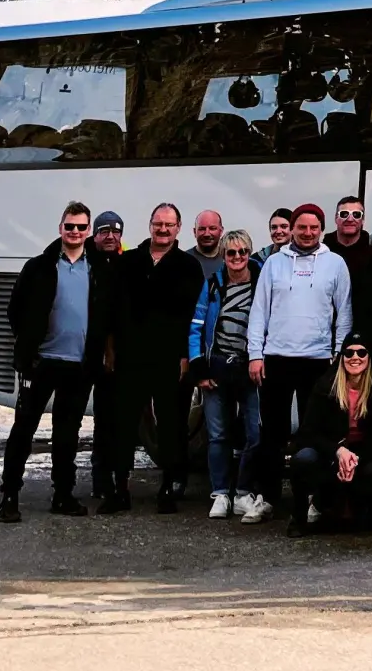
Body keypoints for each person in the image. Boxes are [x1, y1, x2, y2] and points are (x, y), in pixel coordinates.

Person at [0, 202, 114, 523]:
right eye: (69, 226)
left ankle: (63, 495)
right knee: (24, 429)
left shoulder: (99, 270)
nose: (75, 232)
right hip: (41, 363)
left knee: (67, 435)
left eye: (80, 227)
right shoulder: (38, 267)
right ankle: (9, 496)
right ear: (60, 228)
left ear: (88, 231)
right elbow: (15, 310)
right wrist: (28, 347)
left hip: (80, 366)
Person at [248, 203, 354, 514]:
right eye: (301, 227)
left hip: (319, 361)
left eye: (313, 228)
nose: (307, 233)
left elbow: (344, 314)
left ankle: (311, 499)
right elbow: (259, 312)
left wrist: (338, 356)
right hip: (276, 358)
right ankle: (266, 499)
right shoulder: (273, 263)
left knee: (314, 435)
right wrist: (255, 354)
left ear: (322, 230)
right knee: (272, 433)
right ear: (292, 228)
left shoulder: (335, 263)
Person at [110, 202, 204, 514]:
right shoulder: (129, 262)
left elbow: (191, 317)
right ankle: (119, 488)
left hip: (170, 360)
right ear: (150, 225)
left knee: (172, 425)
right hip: (130, 358)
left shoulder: (189, 267)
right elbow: (114, 310)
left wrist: (185, 356)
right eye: (158, 223)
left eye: (169, 224)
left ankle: (168, 487)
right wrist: (110, 349)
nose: (163, 229)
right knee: (124, 423)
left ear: (178, 229)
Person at [188, 230, 271, 523]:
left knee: (256, 433)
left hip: (251, 367)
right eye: (231, 253)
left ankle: (243, 492)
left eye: (242, 252)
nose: (237, 258)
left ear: (250, 253)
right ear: (224, 256)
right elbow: (196, 326)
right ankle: (221, 492)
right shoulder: (213, 285)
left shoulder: (263, 283)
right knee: (217, 434)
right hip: (219, 366)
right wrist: (199, 367)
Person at [287, 333, 372, 537]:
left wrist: (354, 459)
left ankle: (355, 509)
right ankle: (298, 518)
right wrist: (337, 451)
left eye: (361, 352)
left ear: (369, 357)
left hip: (361, 453)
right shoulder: (326, 386)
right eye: (349, 352)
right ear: (342, 357)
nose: (355, 357)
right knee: (303, 459)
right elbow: (308, 432)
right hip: (329, 450)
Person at [87, 210, 126, 502]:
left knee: (117, 420)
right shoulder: (87, 264)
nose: (110, 236)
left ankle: (117, 479)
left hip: (119, 356)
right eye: (104, 231)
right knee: (97, 420)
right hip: (89, 353)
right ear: (95, 235)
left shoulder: (125, 265)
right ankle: (99, 479)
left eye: (115, 231)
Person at [325, 196, 372, 335]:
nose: (350, 219)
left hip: (362, 335)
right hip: (322, 335)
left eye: (356, 215)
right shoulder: (321, 254)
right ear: (335, 218)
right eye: (344, 214)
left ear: (362, 220)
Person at [190, 210, 226, 279]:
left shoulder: (232, 260)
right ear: (195, 232)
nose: (207, 234)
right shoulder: (182, 262)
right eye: (202, 229)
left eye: (212, 228)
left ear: (221, 231)